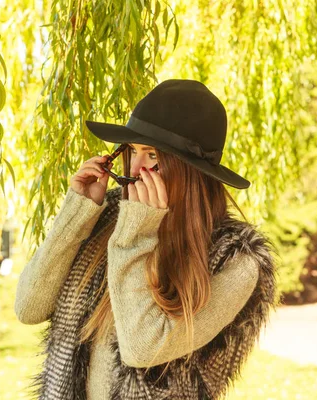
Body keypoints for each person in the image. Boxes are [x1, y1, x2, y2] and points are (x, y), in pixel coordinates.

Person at [15, 79, 277, 400]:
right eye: (133, 150)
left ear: (189, 170)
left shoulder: (236, 260)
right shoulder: (111, 218)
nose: (135, 168)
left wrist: (135, 234)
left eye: (151, 154)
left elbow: (143, 349)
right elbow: (28, 308)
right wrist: (77, 213)